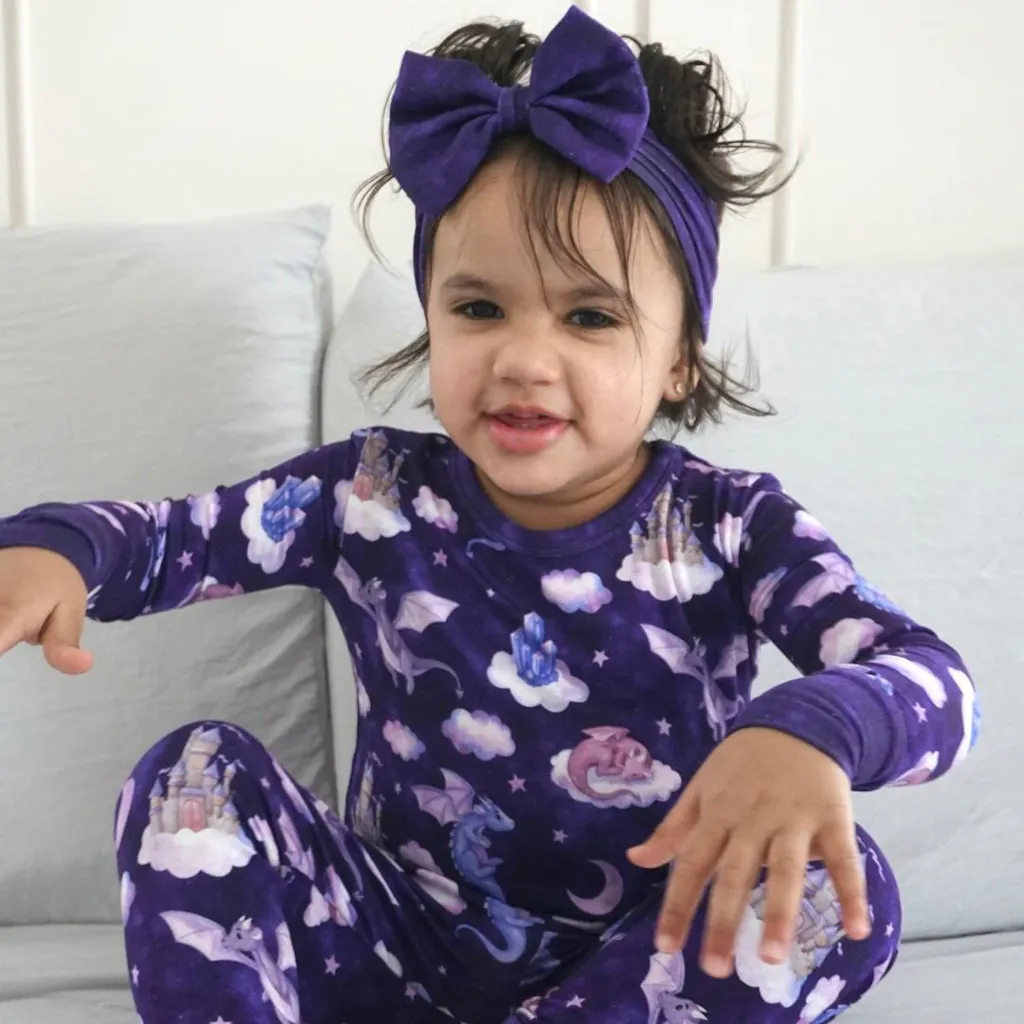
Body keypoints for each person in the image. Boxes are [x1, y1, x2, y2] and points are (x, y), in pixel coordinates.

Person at [0, 6, 979, 1023]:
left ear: (678, 359)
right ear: (432, 319)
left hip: (643, 963)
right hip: (391, 945)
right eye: (478, 308)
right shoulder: (368, 493)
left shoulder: (732, 527)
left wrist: (814, 731)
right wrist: (61, 551)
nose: (522, 358)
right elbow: (172, 536)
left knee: (842, 890)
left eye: (589, 316)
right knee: (192, 772)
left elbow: (933, 677)